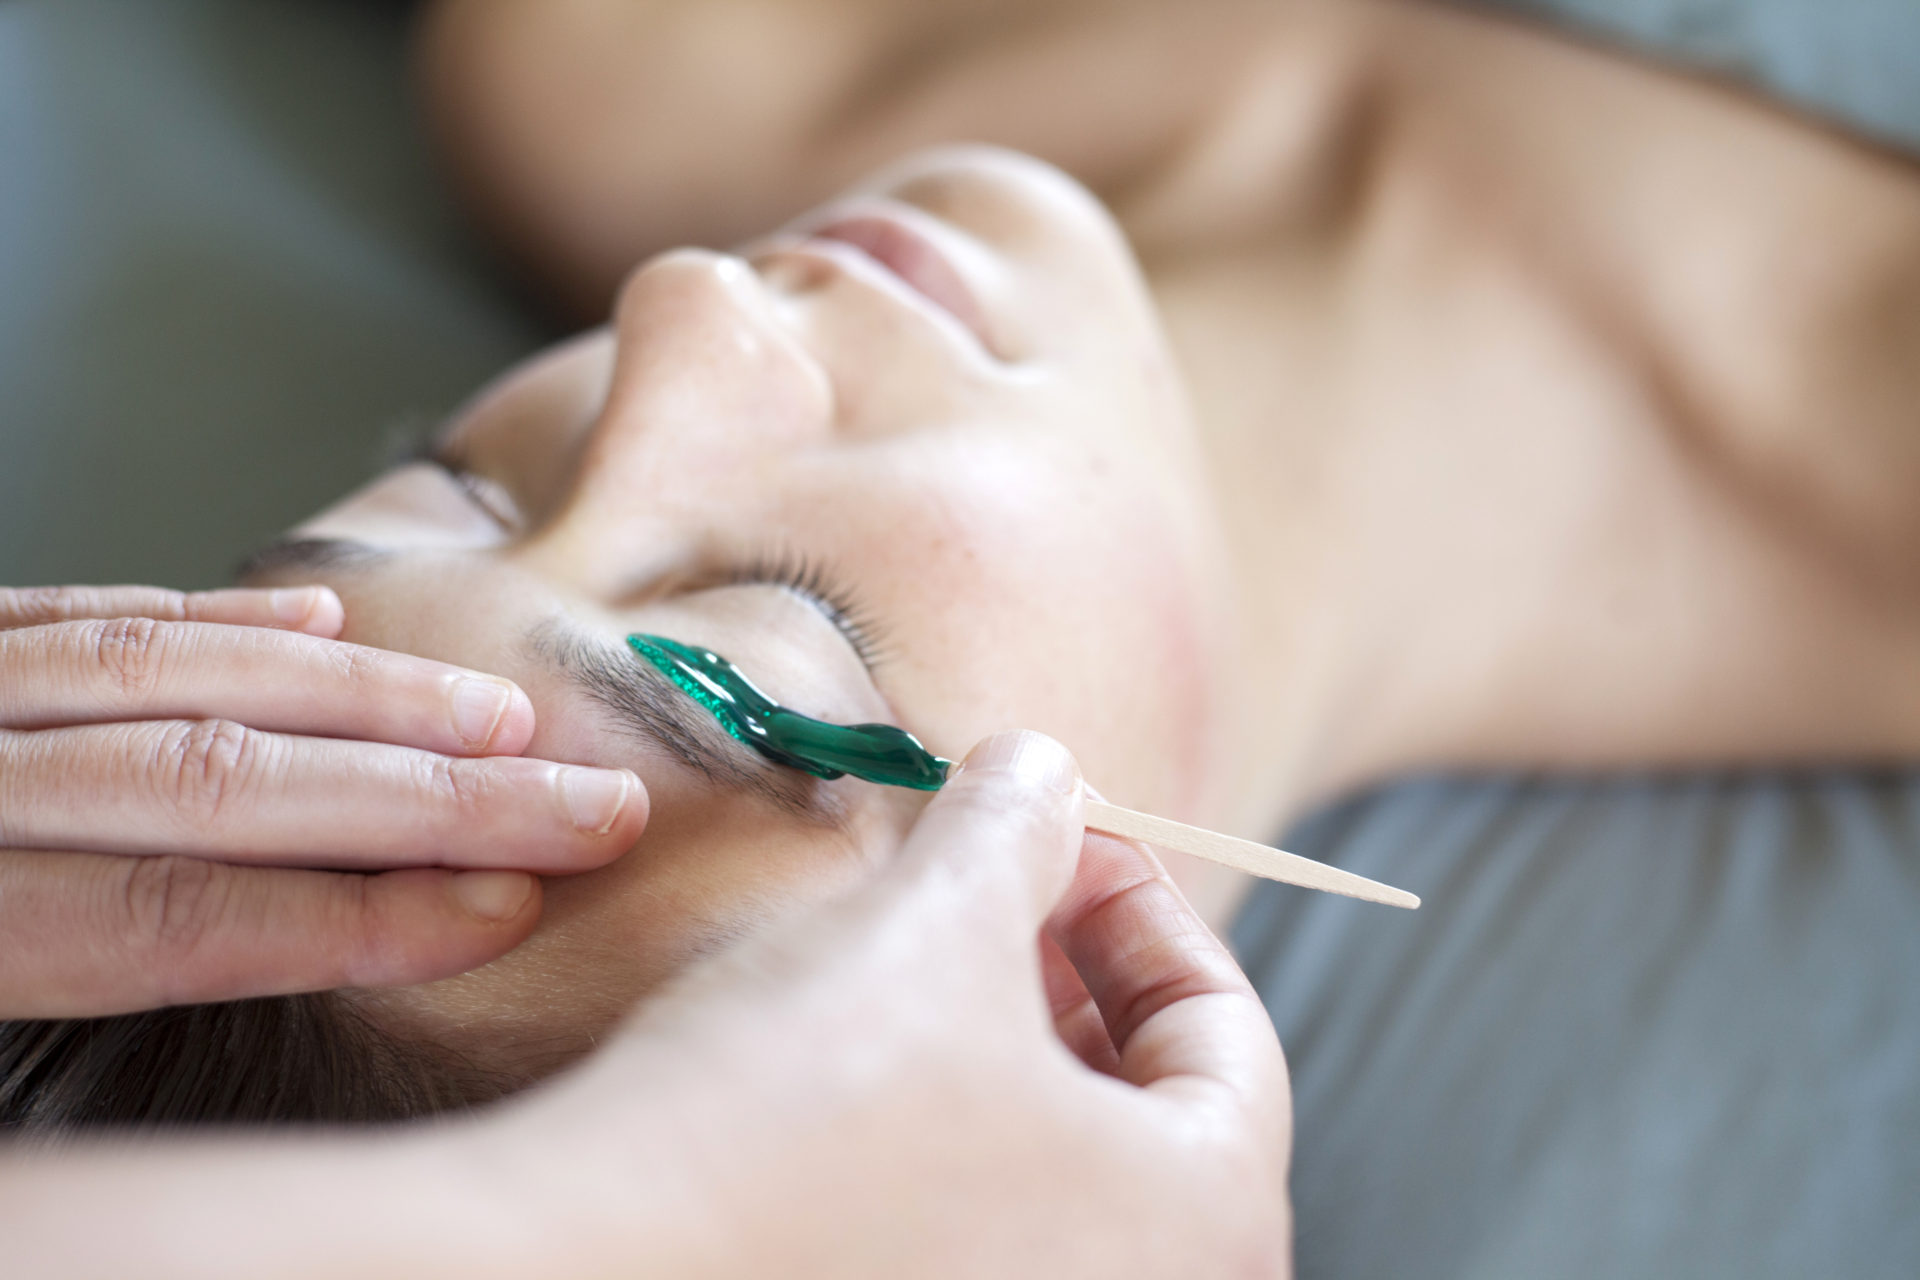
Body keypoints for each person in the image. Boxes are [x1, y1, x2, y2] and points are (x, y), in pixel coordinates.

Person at [5, 0, 1920, 1267]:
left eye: (463, 480)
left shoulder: (633, 52)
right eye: (761, 659)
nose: (687, 318)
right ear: (1063, 1050)